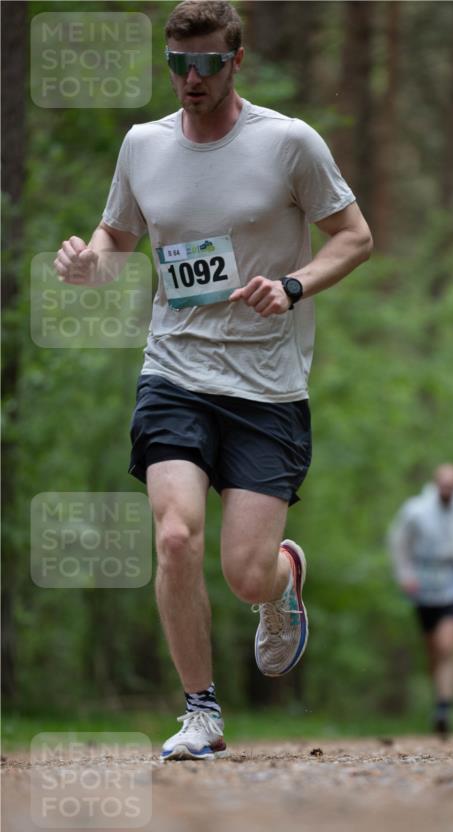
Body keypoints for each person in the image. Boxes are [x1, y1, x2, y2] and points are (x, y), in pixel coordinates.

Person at [54, 1, 372, 760]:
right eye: (177, 65)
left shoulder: (288, 143)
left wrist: (294, 286)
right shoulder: (142, 146)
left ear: (235, 62)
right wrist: (93, 262)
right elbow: (120, 232)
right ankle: (200, 712)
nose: (189, 81)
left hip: (266, 387)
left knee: (244, 572)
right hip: (173, 371)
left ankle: (282, 577)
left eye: (205, 65)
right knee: (172, 538)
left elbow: (355, 237)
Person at [389, 465, 453, 735]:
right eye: (443, 484)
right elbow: (399, 542)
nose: (447, 490)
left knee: (447, 645)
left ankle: (445, 707)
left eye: (452, 485)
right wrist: (405, 574)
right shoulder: (415, 510)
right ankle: (438, 696)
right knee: (433, 649)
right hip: (423, 583)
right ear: (435, 484)